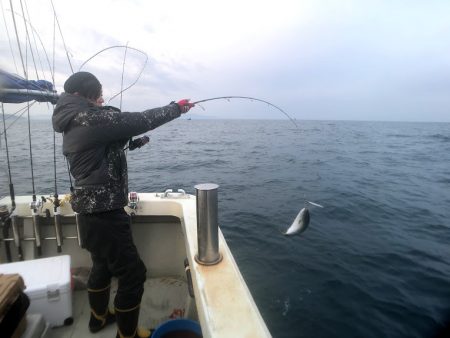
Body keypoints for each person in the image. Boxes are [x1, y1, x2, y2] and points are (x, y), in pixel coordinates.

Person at [52, 71, 194, 338]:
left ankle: (97, 318)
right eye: (97, 95)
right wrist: (176, 108)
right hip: (104, 211)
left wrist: (134, 144)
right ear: (83, 95)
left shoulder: (72, 119)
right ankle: (126, 336)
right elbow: (139, 120)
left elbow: (102, 150)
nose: (100, 99)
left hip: (90, 209)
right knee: (133, 274)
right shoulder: (89, 117)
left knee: (103, 265)